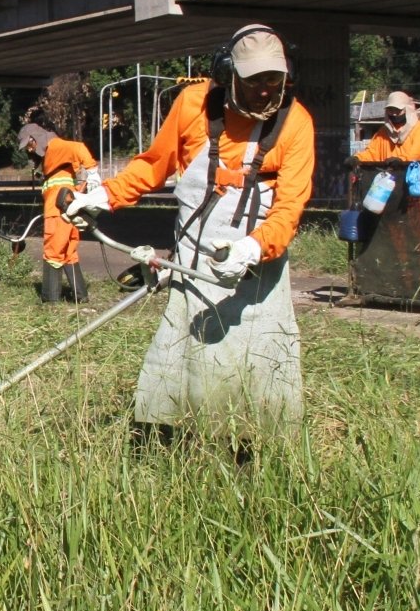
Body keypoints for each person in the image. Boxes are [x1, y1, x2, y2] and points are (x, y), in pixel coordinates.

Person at [63, 24, 314, 444]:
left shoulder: (296, 123)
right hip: (192, 265)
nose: (265, 91)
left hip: (254, 275)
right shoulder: (193, 105)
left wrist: (252, 247)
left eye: (275, 80)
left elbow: (290, 209)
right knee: (182, 359)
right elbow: (153, 165)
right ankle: (169, 444)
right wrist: (104, 197)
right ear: (227, 73)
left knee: (258, 362)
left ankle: (252, 446)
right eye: (253, 81)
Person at [21, 111, 103, 303]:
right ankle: (80, 296)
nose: (30, 150)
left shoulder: (55, 146)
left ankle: (50, 300)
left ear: (34, 138)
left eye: (29, 145)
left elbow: (79, 148)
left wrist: (92, 173)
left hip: (57, 208)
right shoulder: (50, 153)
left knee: (53, 250)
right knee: (68, 251)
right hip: (65, 205)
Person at [355, 90, 420, 162]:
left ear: (407, 110)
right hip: (387, 173)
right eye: (390, 110)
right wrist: (357, 158)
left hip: (410, 173)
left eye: (397, 110)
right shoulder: (383, 132)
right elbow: (371, 153)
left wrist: (401, 160)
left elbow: (417, 153)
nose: (394, 114)